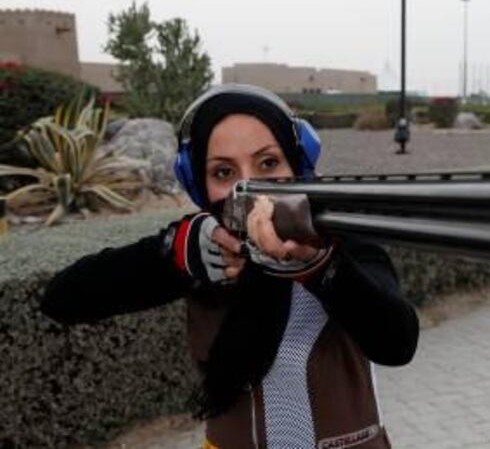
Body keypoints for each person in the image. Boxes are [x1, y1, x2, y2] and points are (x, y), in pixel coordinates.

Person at [40, 84, 420, 449]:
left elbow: (397, 341)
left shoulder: (339, 241)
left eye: (268, 163)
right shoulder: (201, 246)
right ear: (200, 184)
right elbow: (62, 299)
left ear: (296, 163)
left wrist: (321, 267)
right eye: (224, 172)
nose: (247, 187)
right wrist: (173, 255)